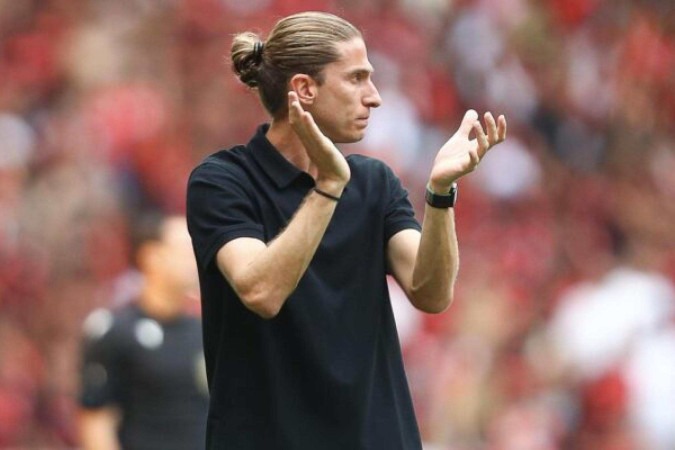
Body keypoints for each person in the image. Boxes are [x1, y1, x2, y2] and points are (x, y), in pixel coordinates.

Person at [186, 11, 506, 450]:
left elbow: (431, 292)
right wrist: (328, 188)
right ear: (304, 90)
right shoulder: (223, 180)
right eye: (356, 78)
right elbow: (261, 290)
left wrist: (440, 191)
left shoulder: (374, 182)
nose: (374, 97)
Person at [78, 213, 209, 450]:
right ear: (151, 256)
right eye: (184, 251)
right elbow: (97, 422)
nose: (194, 260)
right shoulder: (114, 331)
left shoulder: (204, 332)